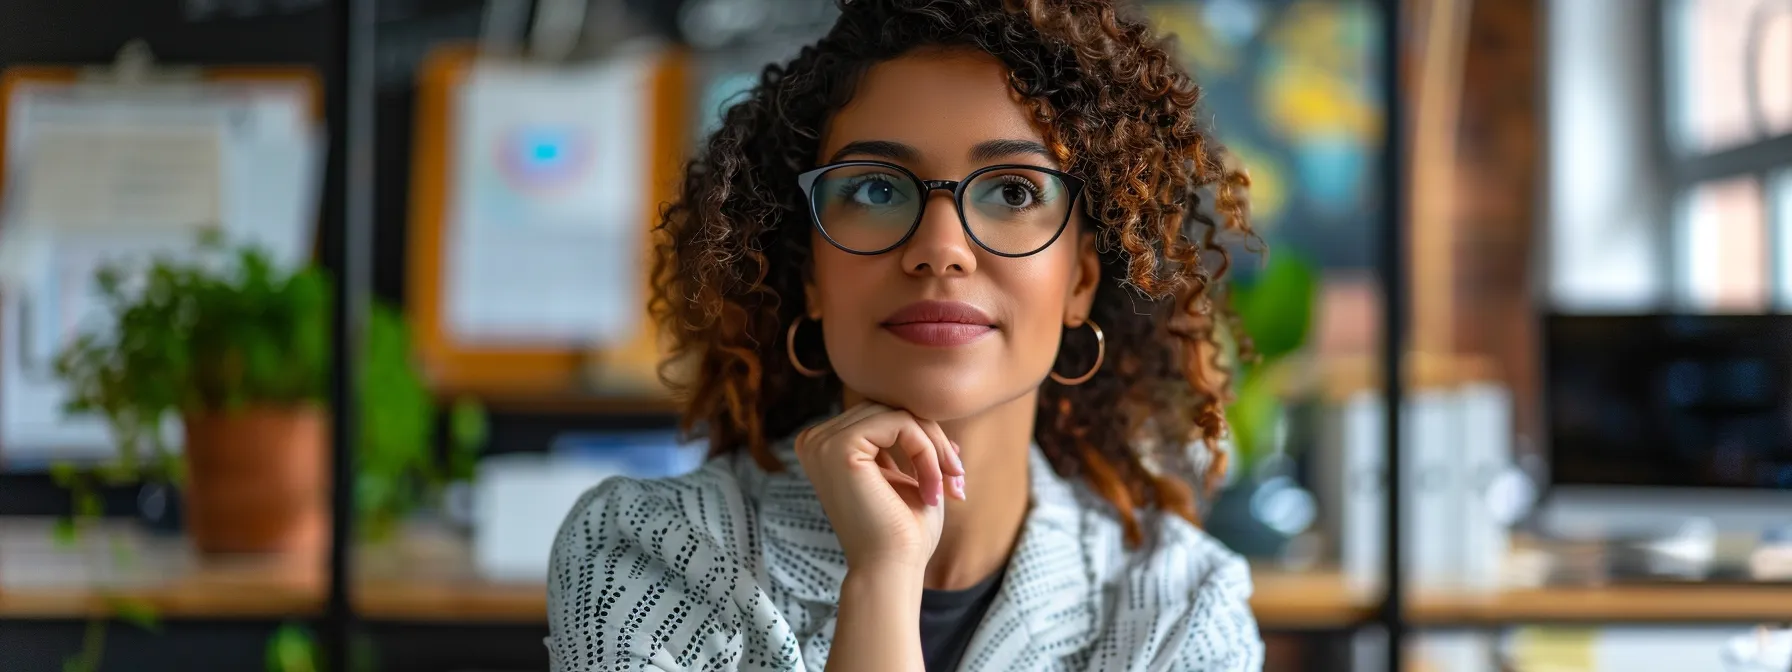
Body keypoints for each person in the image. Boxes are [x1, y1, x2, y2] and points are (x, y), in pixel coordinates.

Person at [547, 0, 1264, 669]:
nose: (940, 248)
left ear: (1080, 279)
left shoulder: (1183, 606)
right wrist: (882, 579)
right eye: (877, 189)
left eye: (1013, 190)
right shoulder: (644, 548)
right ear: (811, 277)